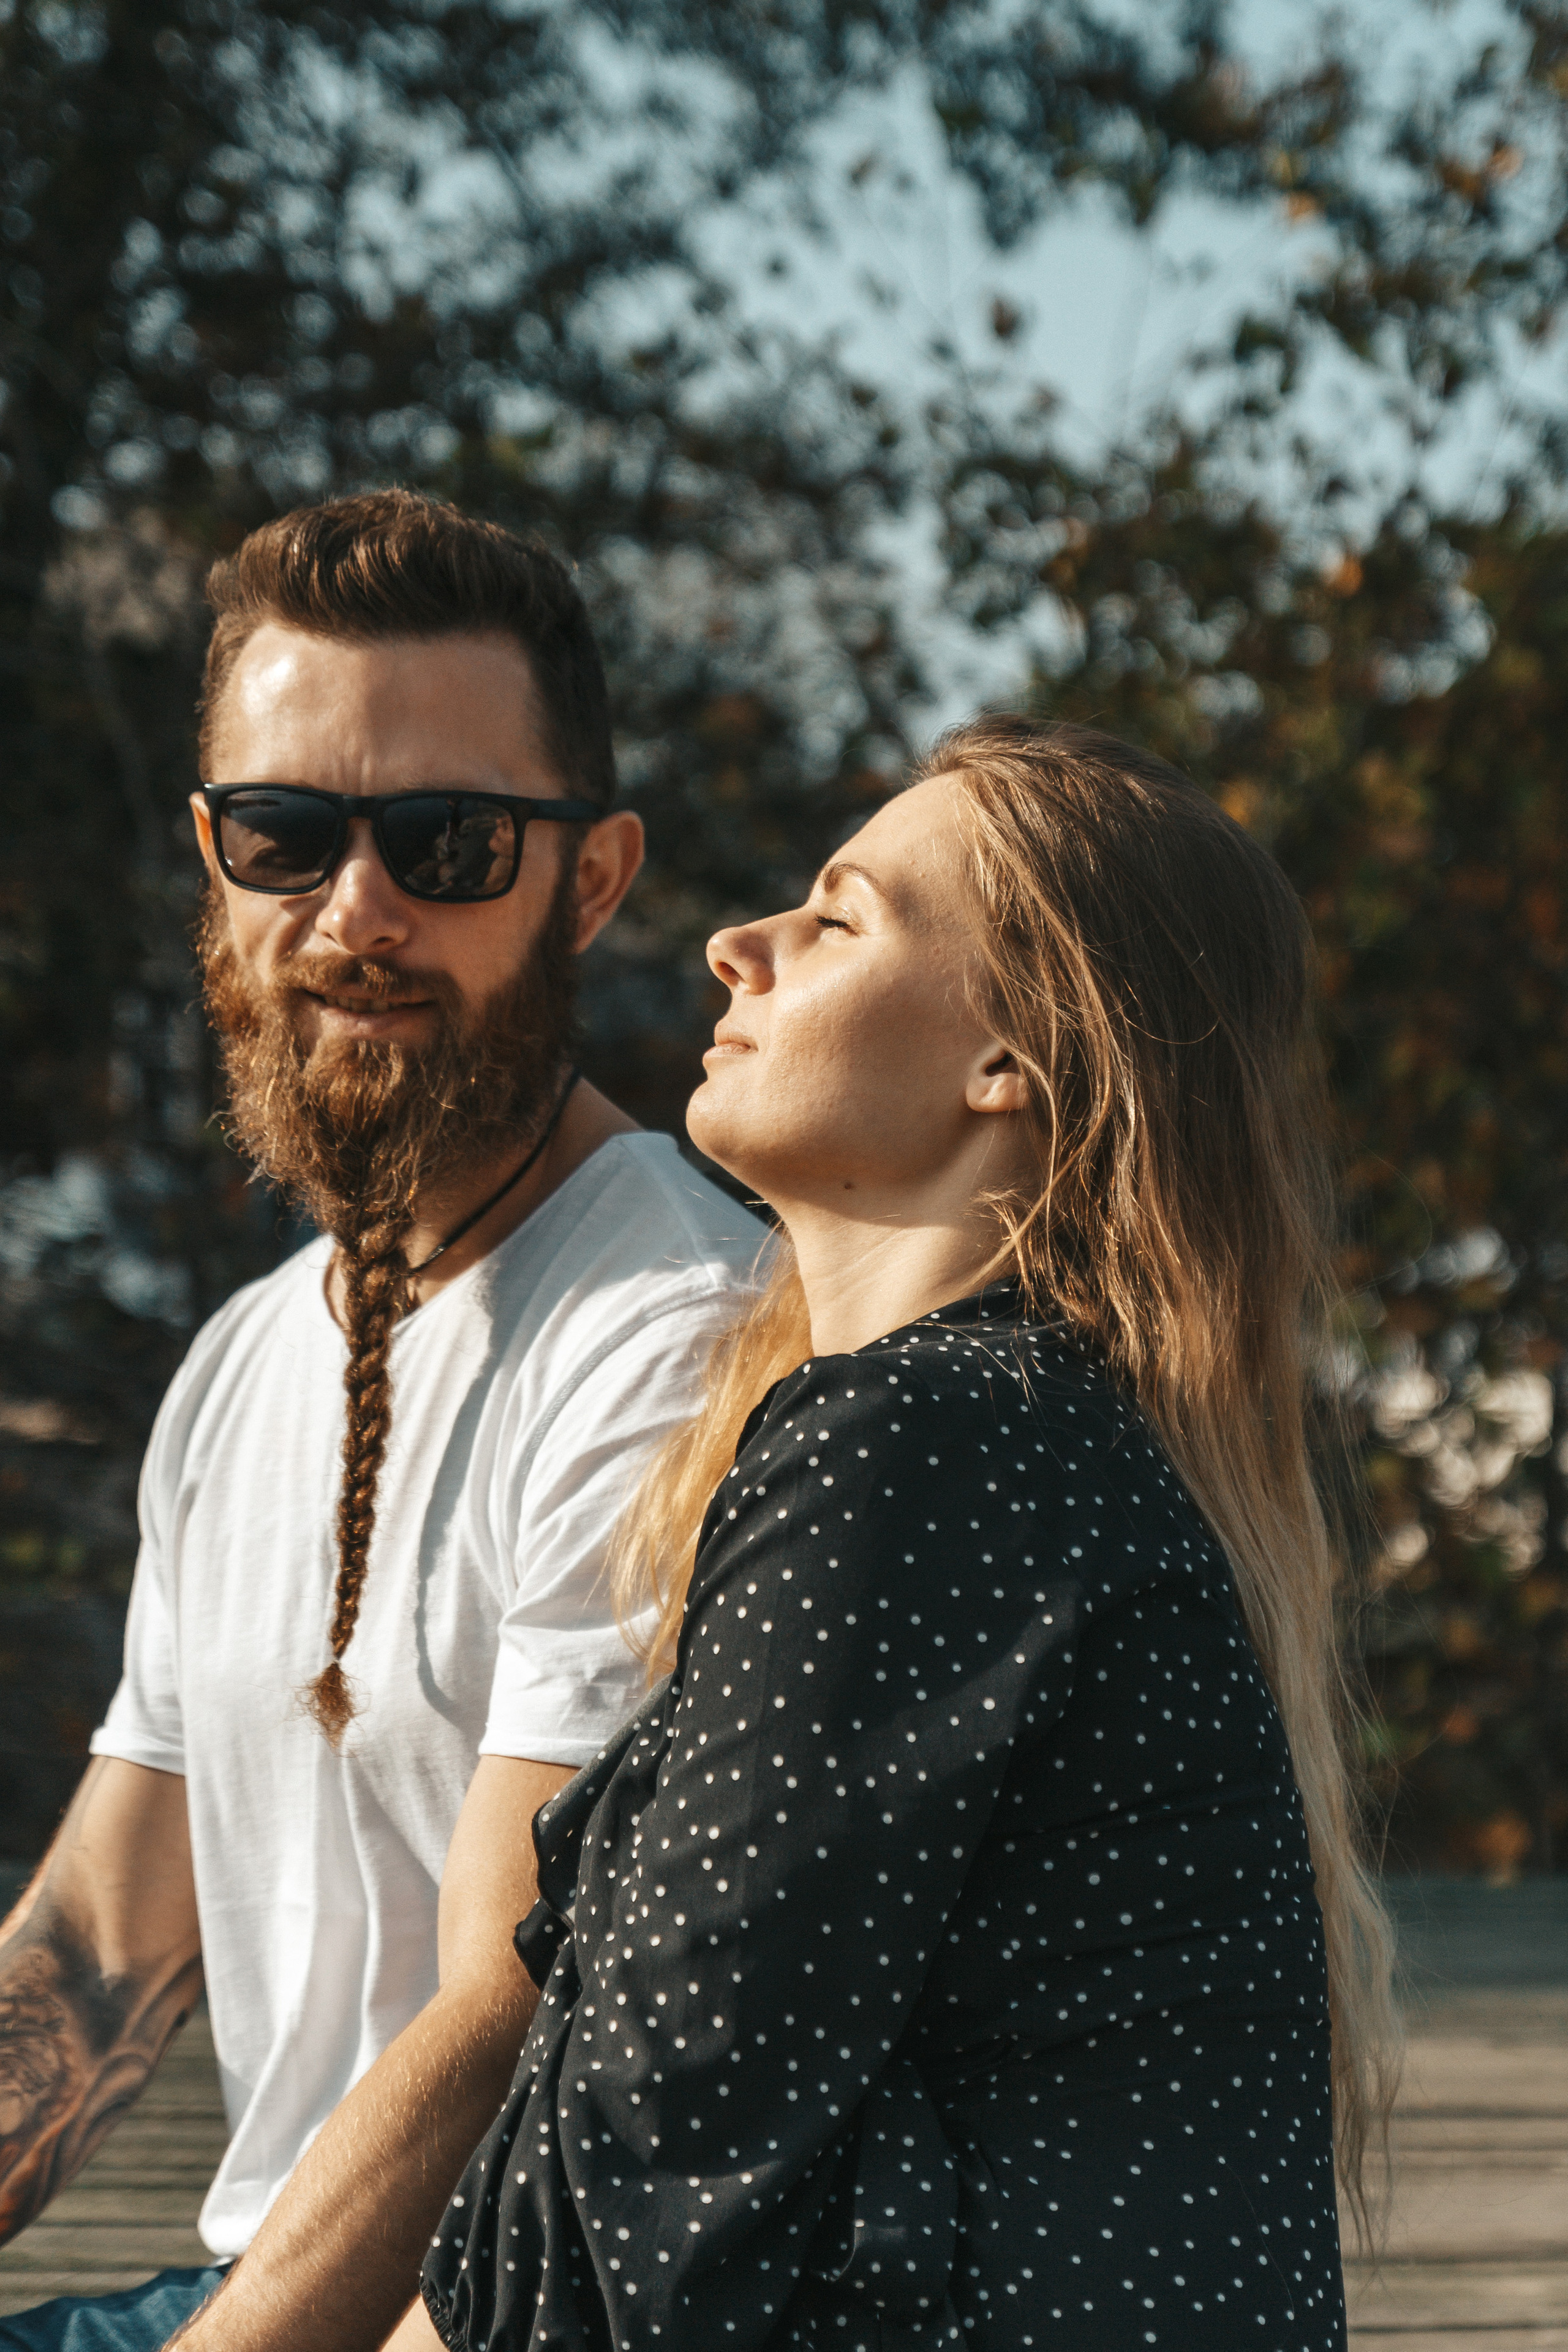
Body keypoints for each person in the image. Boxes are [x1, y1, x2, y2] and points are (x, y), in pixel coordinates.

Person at [415, 717, 1398, 2352]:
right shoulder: (1033, 1440)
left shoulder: (932, 1449)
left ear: (1006, 1060)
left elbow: (647, 2159)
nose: (742, 945)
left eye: (841, 916)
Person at [0, 492, 760, 2352]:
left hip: (485, 2311)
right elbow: (105, 1949)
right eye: (281, 835)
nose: (357, 913)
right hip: (261, 2283)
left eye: (448, 841)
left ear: (587, 881)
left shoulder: (673, 1327)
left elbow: (521, 2011)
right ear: (213, 859)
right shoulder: (247, 1360)